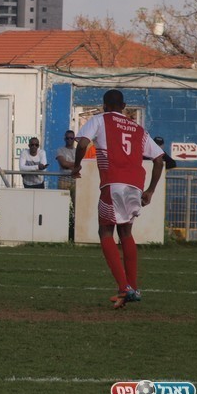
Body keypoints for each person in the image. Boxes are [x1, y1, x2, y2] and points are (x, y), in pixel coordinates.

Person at [71, 89, 164, 309]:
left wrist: (76, 167)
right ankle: (132, 288)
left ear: (104, 106)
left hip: (113, 183)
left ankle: (124, 287)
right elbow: (159, 159)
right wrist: (150, 190)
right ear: (124, 107)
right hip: (135, 184)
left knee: (105, 231)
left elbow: (83, 143)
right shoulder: (139, 129)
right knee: (126, 233)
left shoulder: (99, 120)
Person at [55, 130, 77, 203]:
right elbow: (63, 164)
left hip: (75, 182)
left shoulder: (78, 151)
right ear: (65, 139)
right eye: (67, 138)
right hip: (63, 181)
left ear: (74, 139)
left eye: (71, 138)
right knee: (62, 204)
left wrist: (68, 165)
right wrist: (75, 164)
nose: (69, 140)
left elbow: (81, 165)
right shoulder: (60, 150)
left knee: (76, 205)